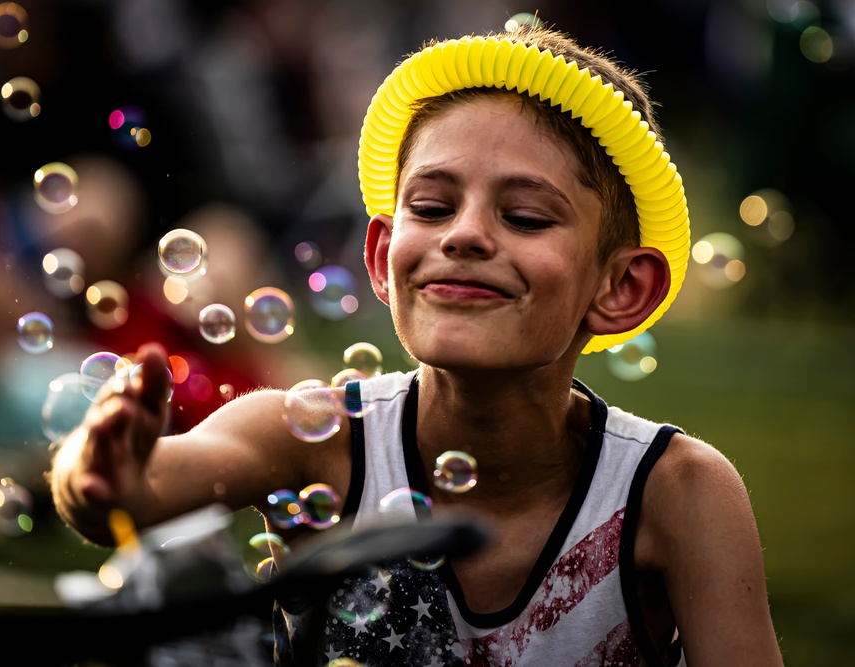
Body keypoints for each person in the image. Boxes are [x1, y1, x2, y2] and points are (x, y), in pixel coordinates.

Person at [48, 20, 784, 667]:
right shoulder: (311, 440)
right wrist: (99, 470)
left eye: (526, 216)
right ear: (381, 256)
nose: (463, 234)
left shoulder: (676, 493)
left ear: (621, 287)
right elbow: (140, 490)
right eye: (431, 207)